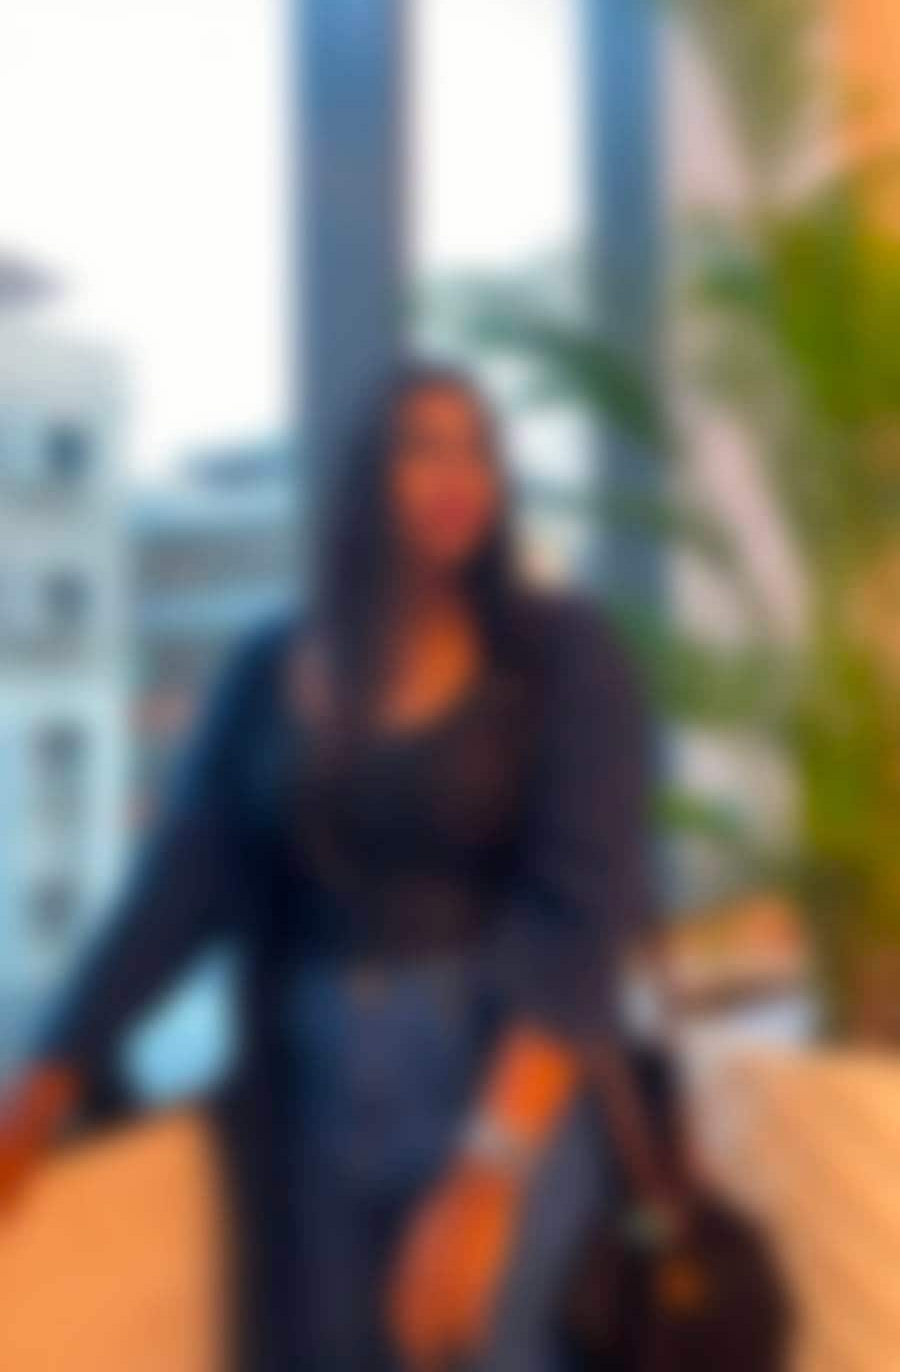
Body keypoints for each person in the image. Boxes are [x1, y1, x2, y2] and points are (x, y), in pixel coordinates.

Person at [0, 362, 657, 1371]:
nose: (456, 474)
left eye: (476, 449)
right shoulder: (268, 665)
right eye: (421, 446)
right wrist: (52, 1070)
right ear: (360, 476)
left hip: (495, 1068)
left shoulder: (559, 651)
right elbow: (179, 884)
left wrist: (486, 1171)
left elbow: (580, 913)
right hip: (314, 1089)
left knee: (501, 1347)